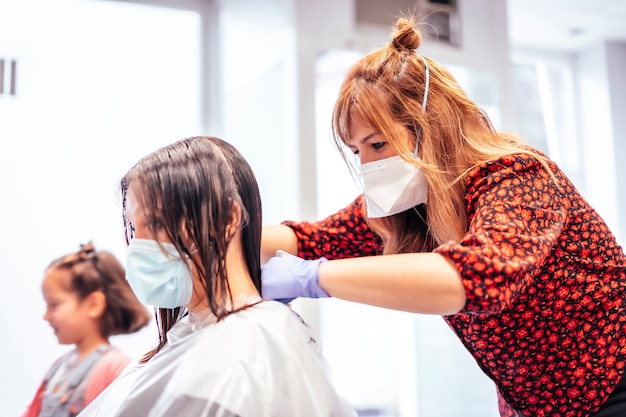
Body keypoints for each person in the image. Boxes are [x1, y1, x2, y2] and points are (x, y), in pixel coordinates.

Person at [260, 15, 626, 417]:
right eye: (356, 152)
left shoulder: (517, 175)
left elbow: (479, 276)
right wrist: (205, 239)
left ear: (428, 126)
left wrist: (313, 278)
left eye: (377, 144)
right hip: (533, 405)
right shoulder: (412, 204)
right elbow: (312, 239)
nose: (366, 166)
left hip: (610, 388)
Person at [77, 136, 356, 417]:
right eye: (135, 229)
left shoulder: (253, 345)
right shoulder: (184, 337)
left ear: (226, 219)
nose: (139, 246)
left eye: (156, 223)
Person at [21, 242, 151, 417]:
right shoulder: (58, 366)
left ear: (93, 304)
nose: (46, 315)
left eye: (54, 304)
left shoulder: (114, 367)